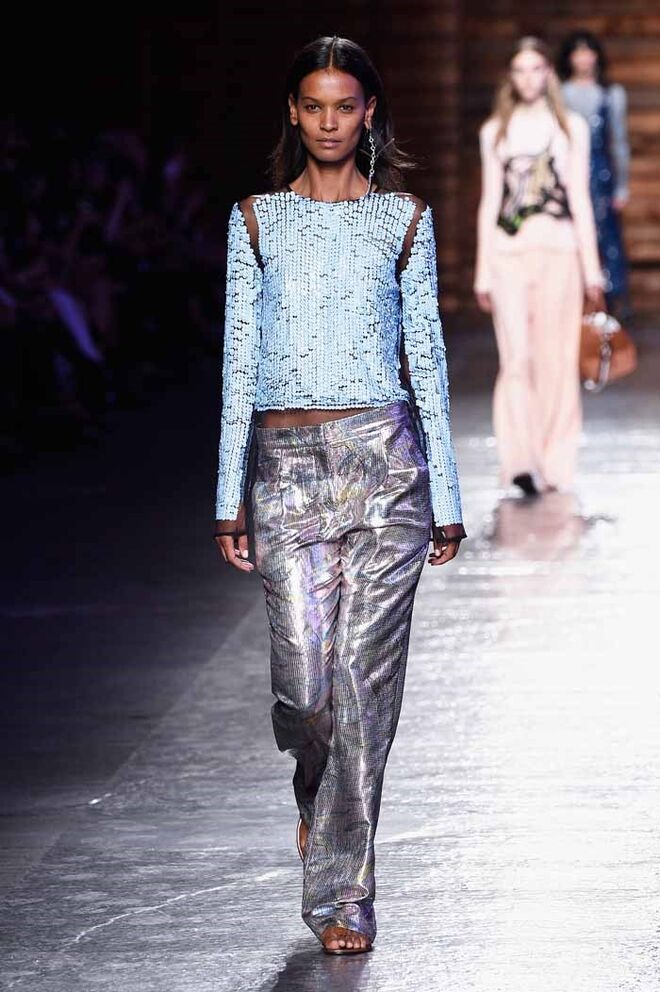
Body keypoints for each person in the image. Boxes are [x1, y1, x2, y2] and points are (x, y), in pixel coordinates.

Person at [213, 36, 465, 955]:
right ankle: (317, 797)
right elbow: (239, 361)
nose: (329, 122)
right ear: (294, 111)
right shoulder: (256, 221)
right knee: (304, 690)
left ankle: (343, 894)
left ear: (368, 113)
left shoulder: (403, 219)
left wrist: (446, 495)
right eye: (314, 106)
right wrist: (228, 495)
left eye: (345, 106)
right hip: (285, 474)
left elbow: (427, 356)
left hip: (385, 467)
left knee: (363, 690)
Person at [474, 36, 603, 497]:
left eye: (535, 68)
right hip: (508, 255)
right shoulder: (496, 131)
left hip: (560, 252)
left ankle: (555, 463)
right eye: (520, 69)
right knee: (515, 358)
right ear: (511, 77)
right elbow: (490, 201)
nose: (528, 78)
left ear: (548, 72)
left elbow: (580, 199)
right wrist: (482, 270)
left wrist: (592, 269)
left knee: (557, 360)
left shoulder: (571, 128)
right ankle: (520, 462)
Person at [558, 30, 631, 315]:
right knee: (571, 234)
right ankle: (573, 302)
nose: (584, 58)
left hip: (600, 174)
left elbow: (619, 142)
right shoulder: (560, 93)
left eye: (588, 51)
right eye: (578, 52)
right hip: (567, 171)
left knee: (606, 237)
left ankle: (608, 305)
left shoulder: (610, 94)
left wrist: (622, 186)